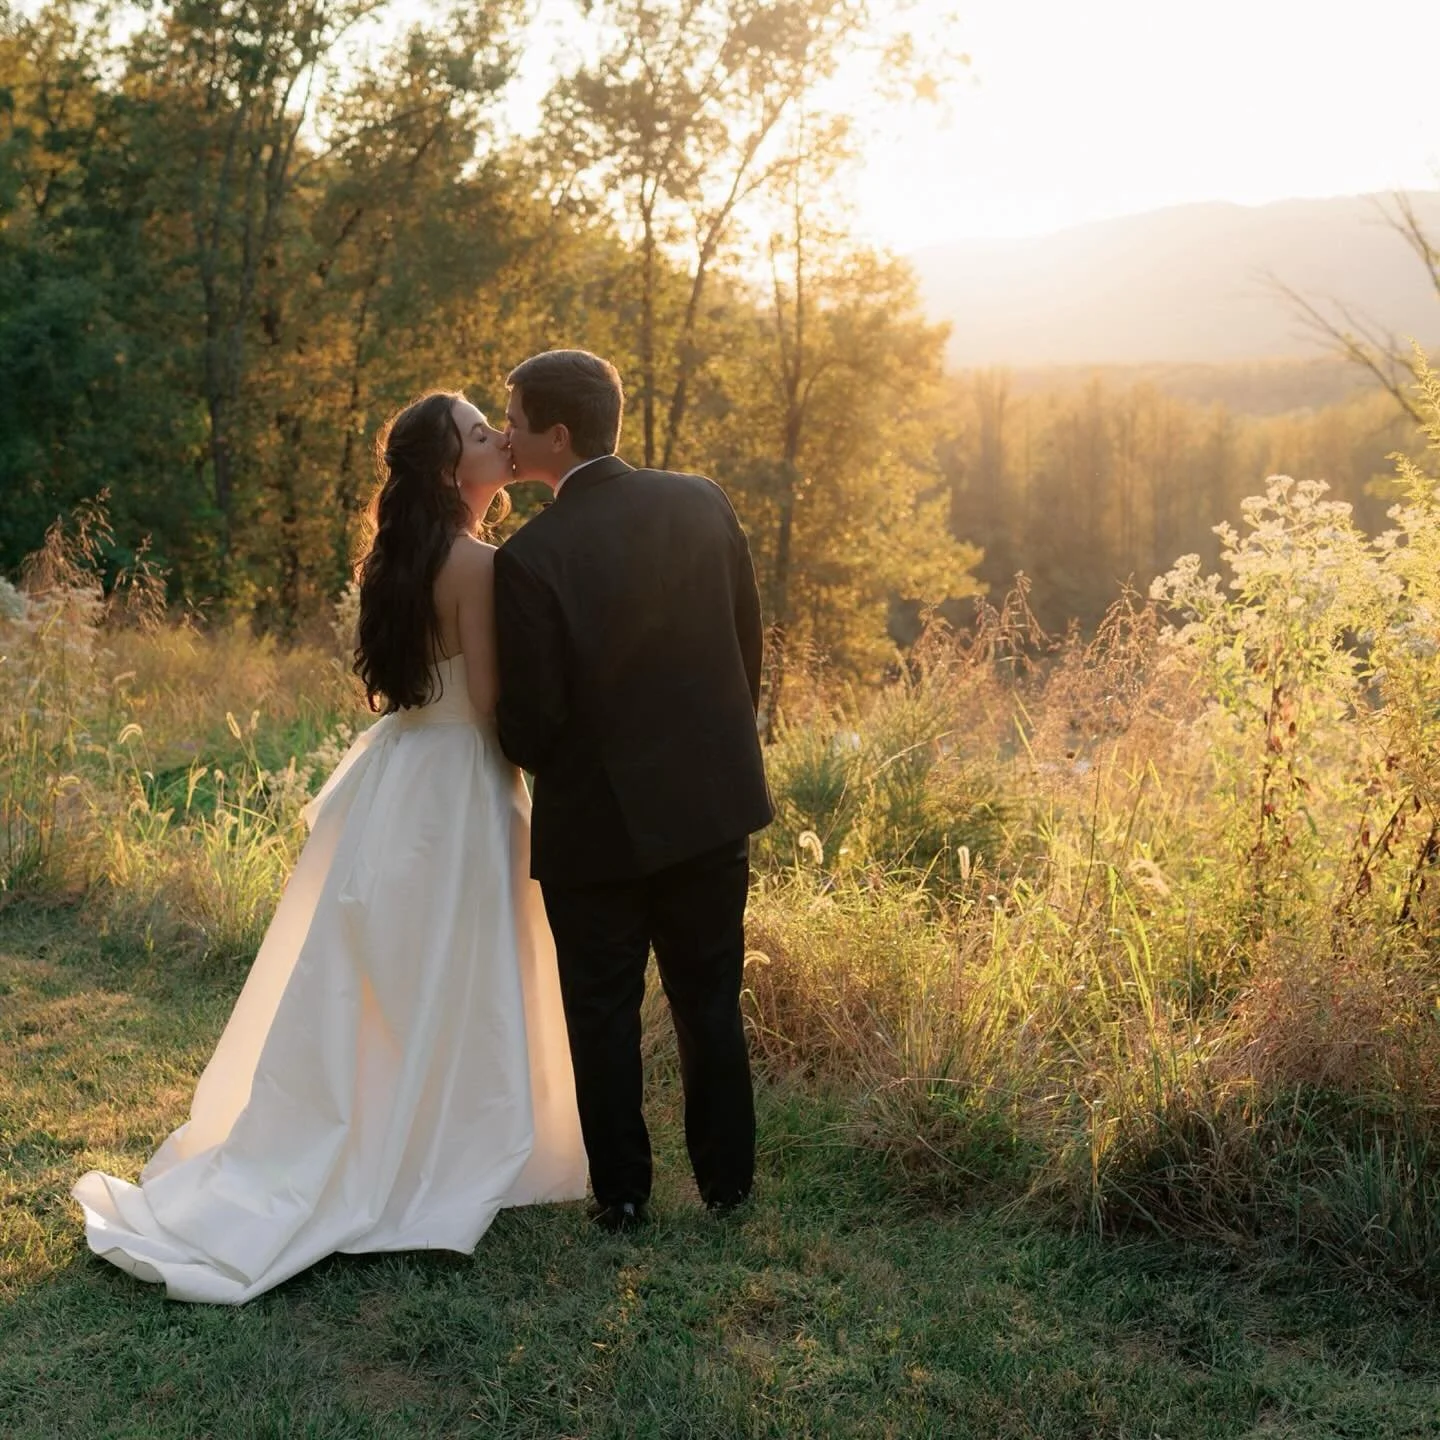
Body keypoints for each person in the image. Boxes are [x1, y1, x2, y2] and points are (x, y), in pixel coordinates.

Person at [72, 392, 586, 1304]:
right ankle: (444, 1149)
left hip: (400, 783)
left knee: (382, 975)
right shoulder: (476, 564)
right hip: (461, 787)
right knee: (457, 969)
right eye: (478, 434)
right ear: (447, 470)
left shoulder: (393, 562)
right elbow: (497, 711)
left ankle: (386, 1132)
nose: (497, 440)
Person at [495, 349, 773, 1233]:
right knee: (709, 1003)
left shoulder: (530, 557)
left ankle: (622, 1195)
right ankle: (728, 1187)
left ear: (558, 434)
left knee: (603, 1014)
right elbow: (746, 647)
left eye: (515, 419)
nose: (506, 433)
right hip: (708, 807)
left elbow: (530, 728)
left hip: (596, 828)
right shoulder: (702, 499)